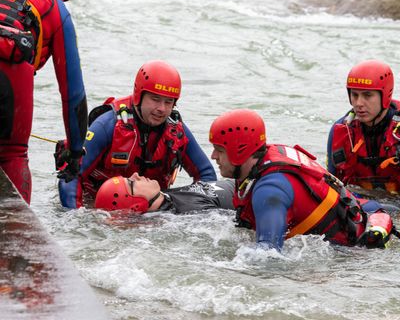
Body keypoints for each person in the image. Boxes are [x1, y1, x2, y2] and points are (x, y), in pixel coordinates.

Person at [209, 108, 397, 251]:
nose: (213, 156)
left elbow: (267, 257)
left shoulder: (269, 191)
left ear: (239, 150)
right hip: (362, 211)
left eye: (219, 150)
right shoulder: (264, 161)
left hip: (355, 248)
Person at [58, 60, 217, 208]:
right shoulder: (106, 125)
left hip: (148, 212)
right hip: (102, 208)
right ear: (138, 95)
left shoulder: (177, 130)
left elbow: (207, 176)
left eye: (168, 102)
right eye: (155, 99)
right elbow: (71, 175)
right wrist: (78, 218)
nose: (162, 108)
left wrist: (184, 208)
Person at [0, 0, 87, 204]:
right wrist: (75, 151)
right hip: (9, 69)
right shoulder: (54, 5)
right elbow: (72, 92)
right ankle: (15, 234)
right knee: (12, 154)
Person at [327, 60, 400, 195]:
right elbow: (331, 186)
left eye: (367, 95)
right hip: (359, 203)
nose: (359, 103)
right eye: (355, 95)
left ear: (385, 96)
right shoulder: (341, 130)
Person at [94, 173, 234, 213]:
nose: (135, 174)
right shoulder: (189, 213)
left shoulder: (166, 196)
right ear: (136, 205)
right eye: (131, 182)